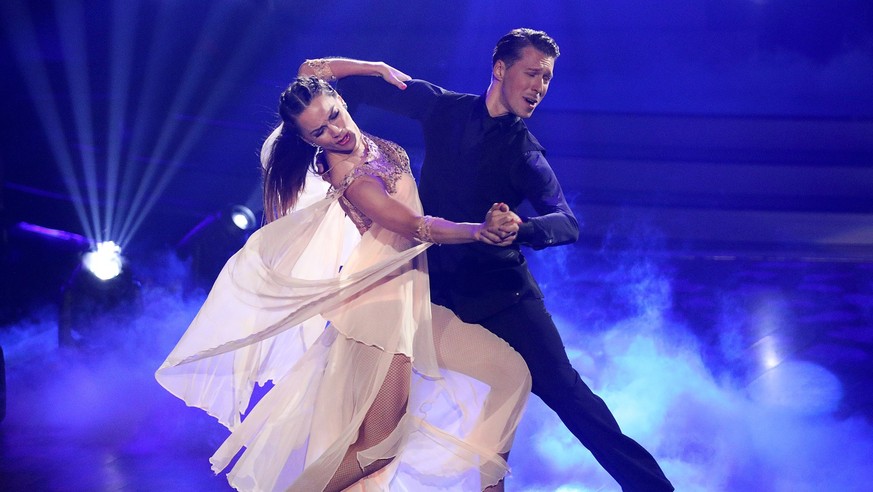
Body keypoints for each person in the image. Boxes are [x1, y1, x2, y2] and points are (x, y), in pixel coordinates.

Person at [302, 28, 675, 491]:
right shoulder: (444, 108)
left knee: (566, 394)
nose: (540, 87)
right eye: (533, 73)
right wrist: (374, 67)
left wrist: (525, 228)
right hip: (430, 291)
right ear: (500, 69)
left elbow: (567, 221)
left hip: (503, 298)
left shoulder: (524, 150)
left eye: (548, 78)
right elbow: (321, 77)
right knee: (384, 426)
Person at [155, 74, 532, 491]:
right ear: (309, 140)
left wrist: (375, 68)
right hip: (380, 311)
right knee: (380, 445)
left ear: (339, 100)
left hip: (411, 302)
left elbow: (313, 68)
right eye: (320, 132)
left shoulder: (348, 126)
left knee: (509, 372)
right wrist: (477, 230)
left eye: (335, 115)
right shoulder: (352, 177)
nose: (336, 131)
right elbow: (413, 225)